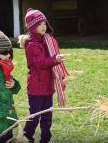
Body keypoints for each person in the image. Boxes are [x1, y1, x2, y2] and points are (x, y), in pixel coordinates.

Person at [20, 8, 69, 143]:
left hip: (47, 86)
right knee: (35, 116)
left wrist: (60, 77)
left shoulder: (46, 42)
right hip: (36, 88)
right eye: (39, 24)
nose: (43, 26)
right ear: (32, 26)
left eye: (44, 23)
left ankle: (45, 139)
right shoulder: (32, 45)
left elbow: (50, 63)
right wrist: (55, 59)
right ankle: (26, 137)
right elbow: (40, 63)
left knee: (47, 116)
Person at [0, 30, 21, 143]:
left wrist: (14, 84)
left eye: (9, 52)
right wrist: (1, 111)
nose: (8, 55)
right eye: (4, 52)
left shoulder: (5, 68)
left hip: (8, 118)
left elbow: (16, 89)